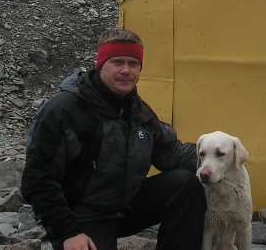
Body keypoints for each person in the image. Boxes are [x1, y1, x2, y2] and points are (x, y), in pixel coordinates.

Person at [21, 28, 205, 250]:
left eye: (133, 63)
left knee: (185, 183)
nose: (126, 70)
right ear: (100, 65)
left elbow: (171, 153)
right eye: (117, 62)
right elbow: (37, 179)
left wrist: (219, 156)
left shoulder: (138, 110)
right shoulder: (64, 111)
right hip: (82, 217)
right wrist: (67, 232)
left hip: (125, 207)